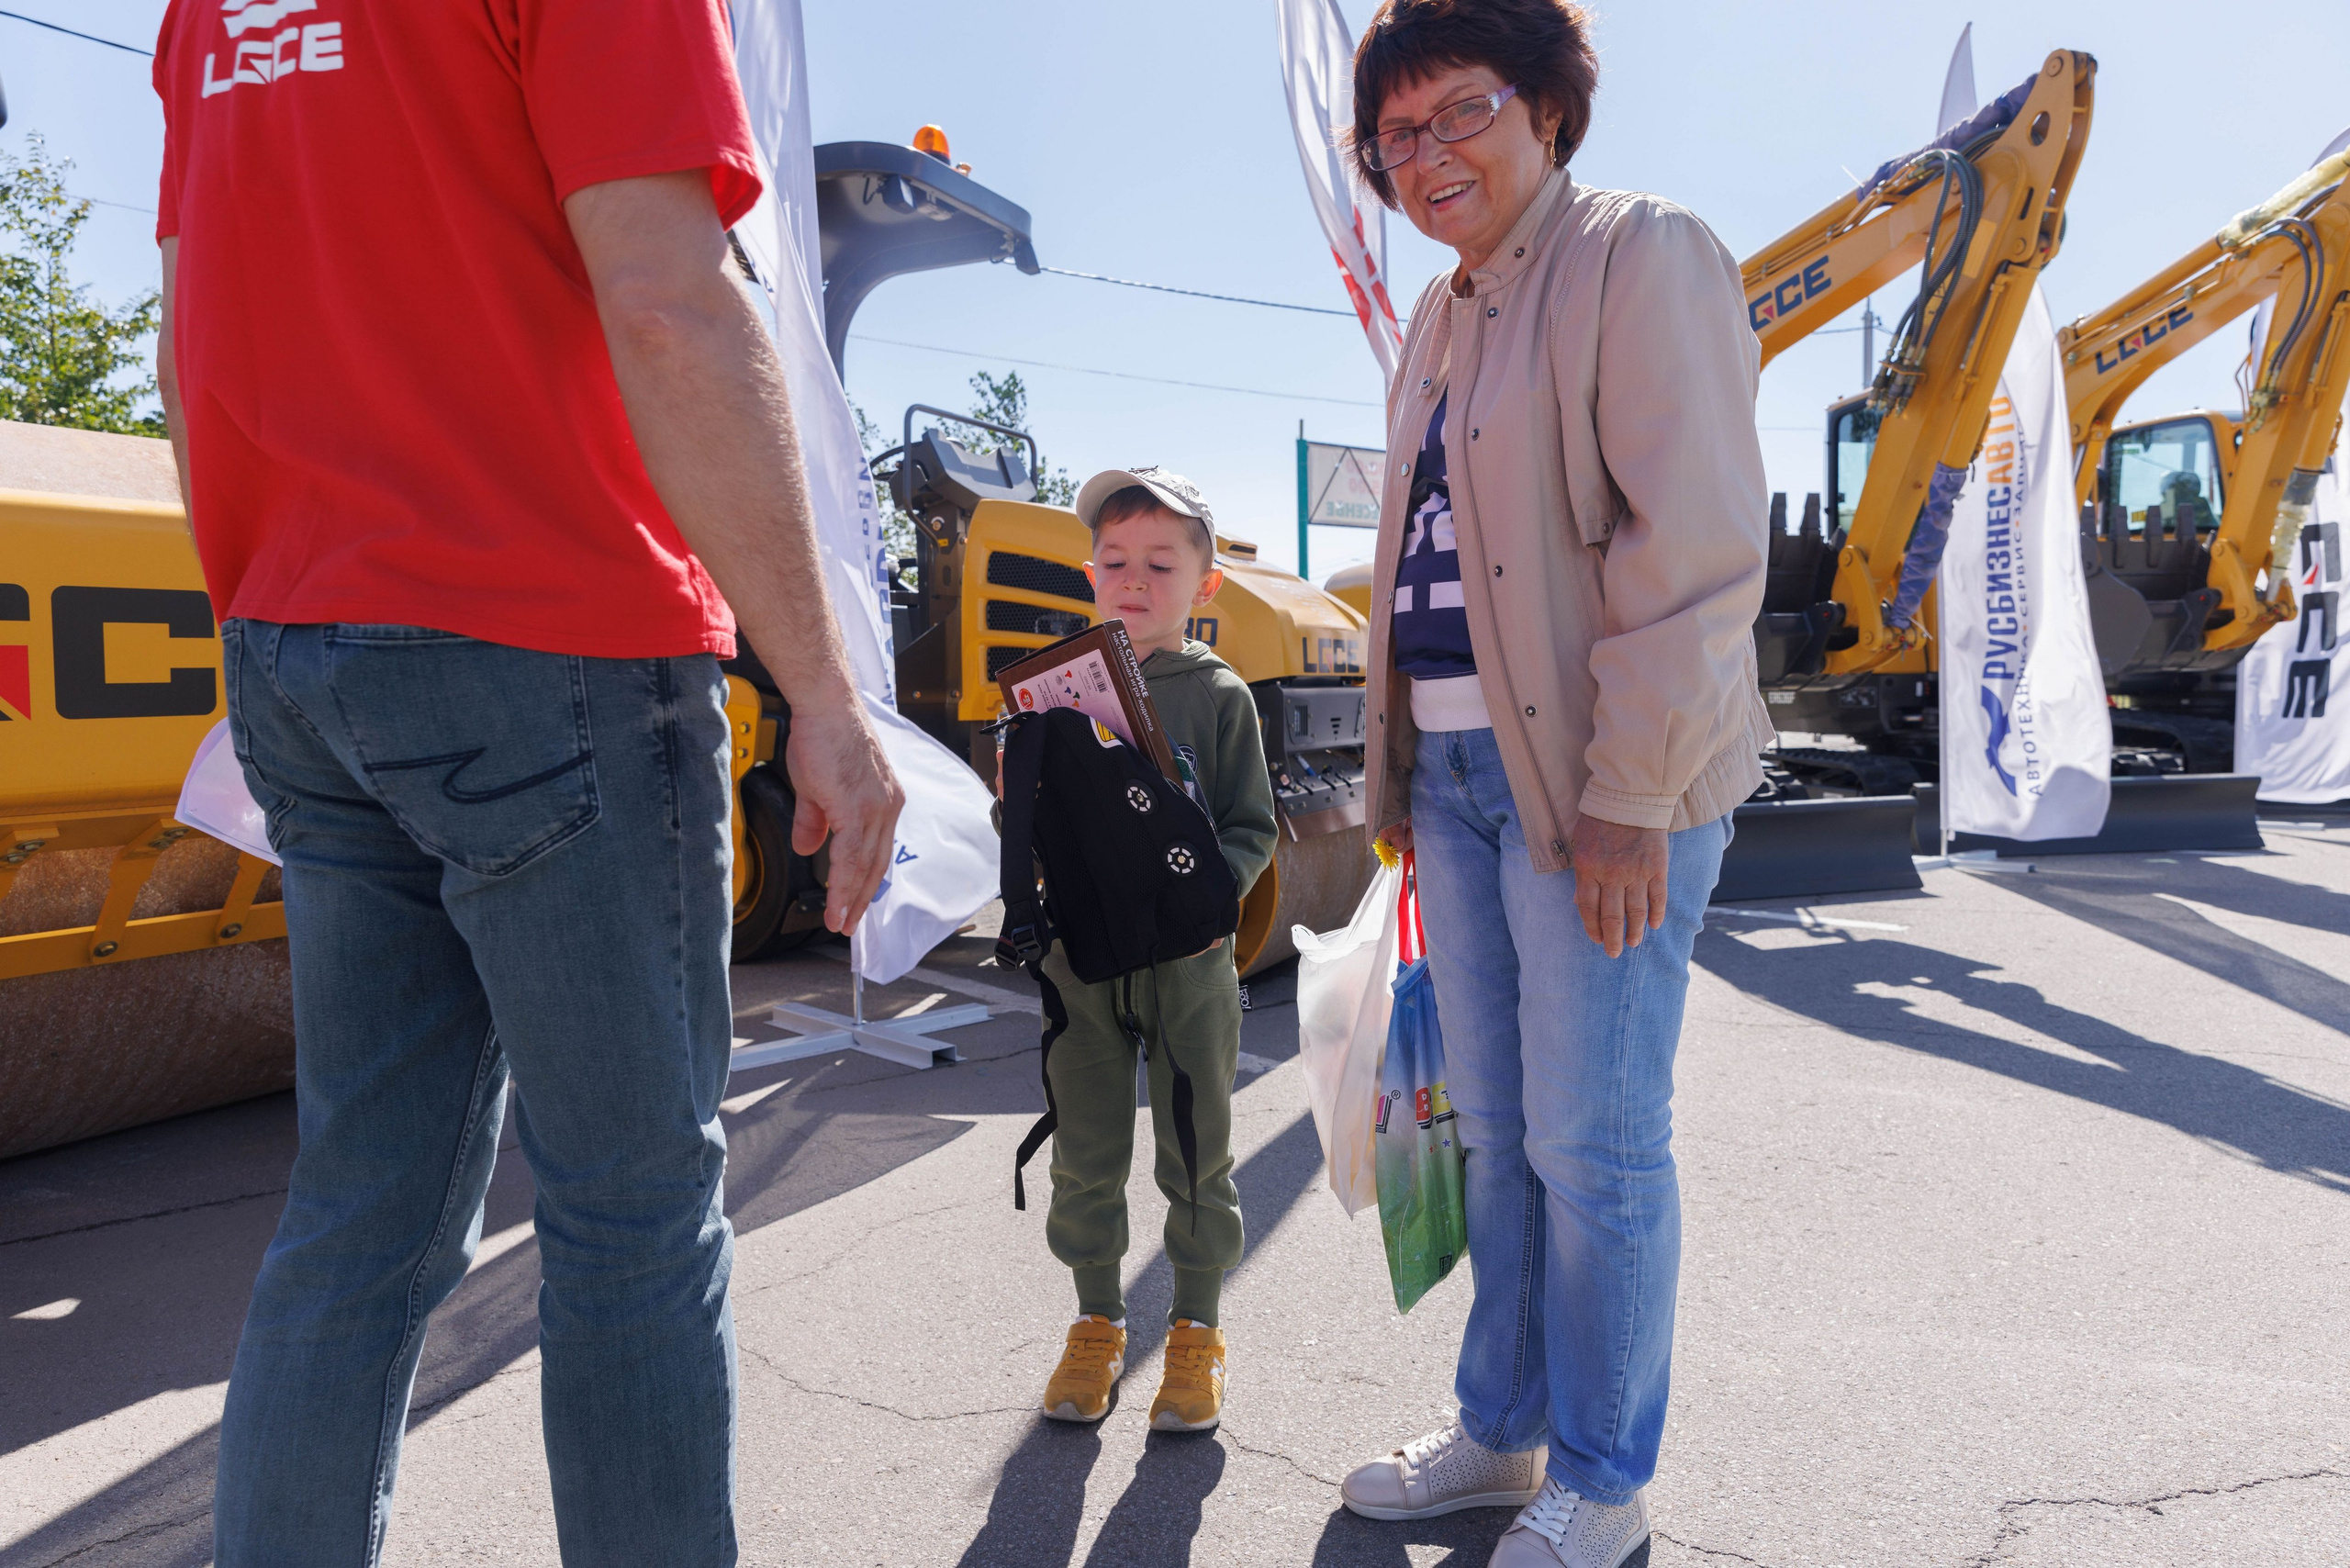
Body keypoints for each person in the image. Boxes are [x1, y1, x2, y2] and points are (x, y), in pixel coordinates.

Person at [151, 3, 902, 1562]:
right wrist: (824, 692)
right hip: (545, 635)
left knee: (360, 1210)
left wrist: (272, 599)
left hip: (299, 640)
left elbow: (192, 332)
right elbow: (671, 302)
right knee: (630, 1216)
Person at [1328, 4, 1771, 1566]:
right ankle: (1503, 1432)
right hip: (1455, 774)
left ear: (1550, 107)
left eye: (1460, 112)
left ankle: (1604, 1468)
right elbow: (1415, 570)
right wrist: (1394, 773)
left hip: (1594, 774)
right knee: (1499, 1123)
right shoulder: (1443, 320)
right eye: (1397, 136)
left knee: (1593, 1139)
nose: (1427, 155)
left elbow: (1699, 555)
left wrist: (1631, 793)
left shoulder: (1642, 255)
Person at [1028, 468, 1278, 1434]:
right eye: (1116, 560)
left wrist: (1208, 903)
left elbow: (1254, 828)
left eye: (1160, 563)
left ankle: (1195, 1333)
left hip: (1186, 967)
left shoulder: (1218, 697)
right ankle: (1095, 1324)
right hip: (1081, 966)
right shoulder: (1056, 686)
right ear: (1091, 571)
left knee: (1196, 1158)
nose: (1134, 579)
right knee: (1086, 1153)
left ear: (1203, 586)